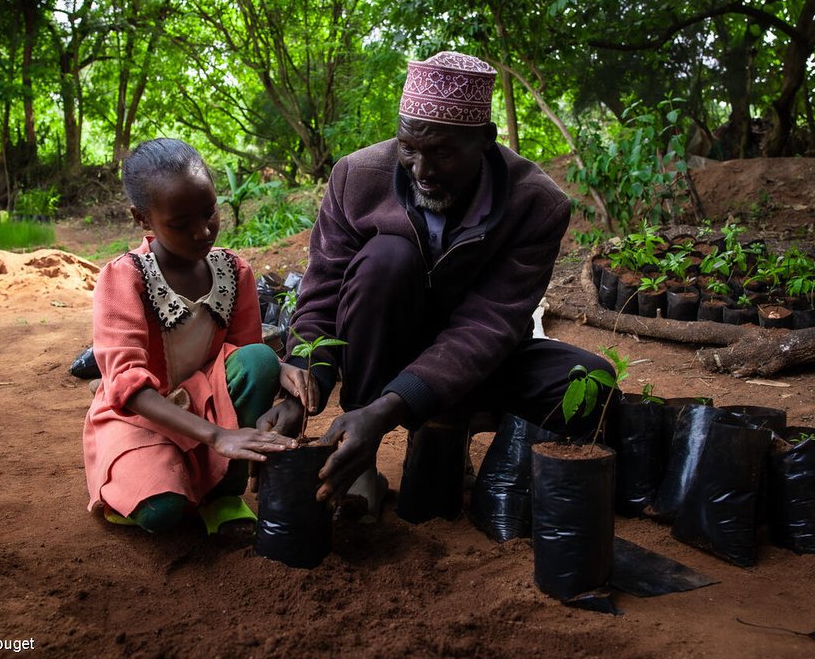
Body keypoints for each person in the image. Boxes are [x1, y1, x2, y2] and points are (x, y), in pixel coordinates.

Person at [258, 51, 617, 520]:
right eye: (409, 148)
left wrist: (395, 407)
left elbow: (487, 327)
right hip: (383, 342)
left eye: (443, 152)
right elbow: (322, 292)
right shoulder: (356, 178)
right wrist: (302, 382)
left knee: (590, 381)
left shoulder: (537, 204)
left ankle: (447, 425)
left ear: (484, 141)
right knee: (386, 260)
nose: (422, 169)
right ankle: (358, 455)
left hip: (474, 359)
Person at [83, 138, 312, 535]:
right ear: (142, 219)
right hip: (139, 419)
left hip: (205, 404)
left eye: (209, 213)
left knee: (258, 358)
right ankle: (136, 485)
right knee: (164, 513)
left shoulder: (233, 272)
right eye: (180, 223)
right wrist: (218, 436)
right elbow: (128, 388)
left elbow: (241, 353)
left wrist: (280, 364)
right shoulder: (124, 279)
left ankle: (225, 493)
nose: (202, 230)